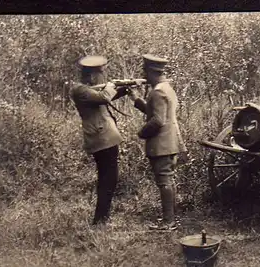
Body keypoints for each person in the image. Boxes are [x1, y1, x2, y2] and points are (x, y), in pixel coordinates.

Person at [127, 54, 187, 231]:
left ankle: (169, 222)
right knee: (168, 180)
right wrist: (136, 99)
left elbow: (157, 121)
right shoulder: (166, 88)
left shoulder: (157, 91)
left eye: (145, 71)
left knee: (164, 182)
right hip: (169, 143)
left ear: (151, 72)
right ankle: (171, 219)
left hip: (162, 145)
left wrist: (141, 133)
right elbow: (154, 112)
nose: (143, 75)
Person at [70, 55, 129, 226]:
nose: (103, 76)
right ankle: (100, 219)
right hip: (101, 138)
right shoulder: (80, 90)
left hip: (104, 137)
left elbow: (102, 98)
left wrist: (123, 89)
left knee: (108, 178)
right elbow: (103, 97)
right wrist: (111, 86)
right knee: (108, 179)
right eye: (101, 73)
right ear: (92, 75)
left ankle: (102, 217)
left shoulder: (89, 91)